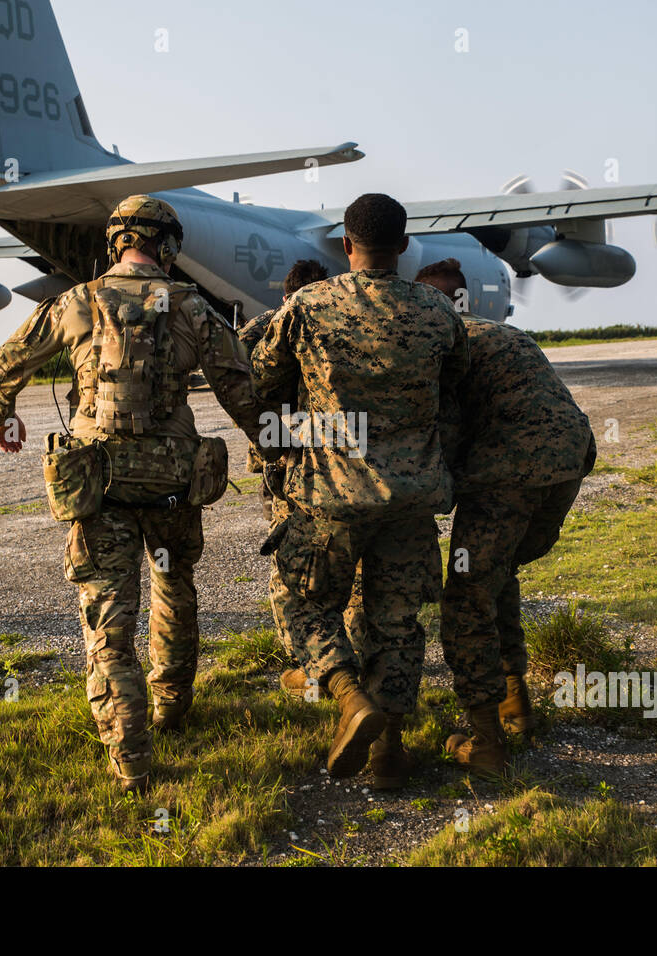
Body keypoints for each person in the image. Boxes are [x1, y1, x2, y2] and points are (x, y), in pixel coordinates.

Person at [0, 194, 271, 793]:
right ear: (167, 246)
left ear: (116, 242)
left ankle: (131, 756)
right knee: (173, 591)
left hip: (99, 484)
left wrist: (0, 417)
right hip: (172, 486)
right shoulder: (191, 305)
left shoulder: (77, 301)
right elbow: (242, 390)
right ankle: (171, 707)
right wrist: (272, 452)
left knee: (107, 617)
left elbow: (1, 365)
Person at [250, 193, 468, 788]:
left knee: (304, 600)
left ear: (346, 245)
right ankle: (389, 753)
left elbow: (263, 378)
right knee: (397, 622)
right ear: (404, 246)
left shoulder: (308, 306)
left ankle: (348, 696)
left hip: (331, 496)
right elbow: (458, 389)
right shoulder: (438, 313)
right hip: (412, 498)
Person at [415, 257, 596, 772]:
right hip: (567, 466)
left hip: (509, 474)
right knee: (496, 576)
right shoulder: (508, 333)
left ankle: (486, 742)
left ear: (432, 304)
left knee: (468, 596)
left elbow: (442, 435)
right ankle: (515, 703)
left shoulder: (447, 346)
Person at [237, 259, 327, 696]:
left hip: (284, 461)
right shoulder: (338, 322)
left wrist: (266, 434)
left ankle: (308, 665)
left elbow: (236, 384)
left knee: (289, 562)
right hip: (334, 458)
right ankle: (342, 659)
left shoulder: (264, 326)